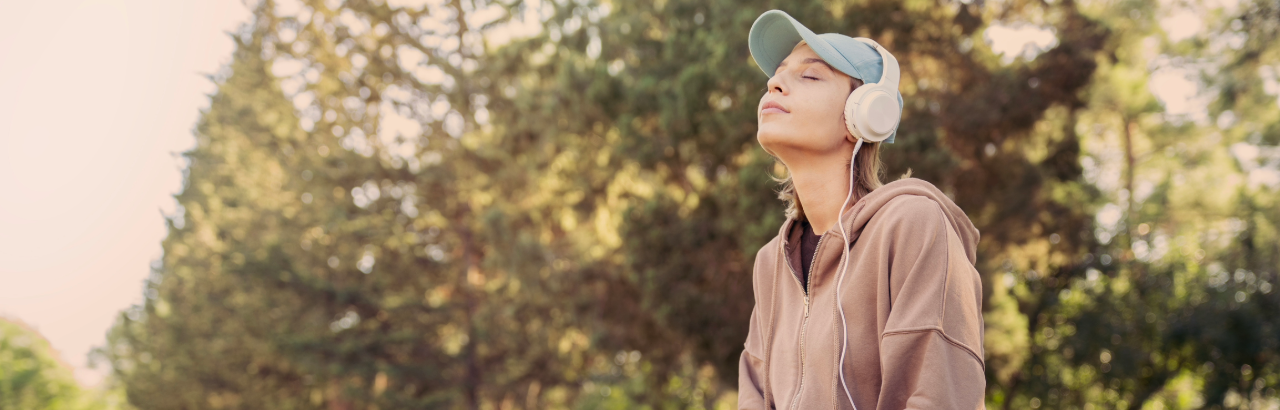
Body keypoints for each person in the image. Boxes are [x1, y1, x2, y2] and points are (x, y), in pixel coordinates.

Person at [738, 10, 986, 409]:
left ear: (865, 113)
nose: (774, 84)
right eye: (777, 75)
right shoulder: (770, 264)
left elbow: (937, 396)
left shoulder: (913, 225)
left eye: (810, 75)